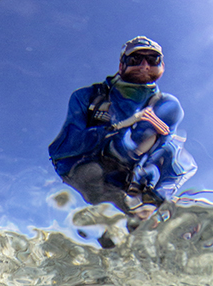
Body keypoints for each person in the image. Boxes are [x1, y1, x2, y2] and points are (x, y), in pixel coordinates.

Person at [48, 37, 197, 222]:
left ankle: (154, 213)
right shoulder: (89, 97)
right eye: (135, 59)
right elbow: (61, 149)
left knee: (176, 156)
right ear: (121, 65)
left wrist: (156, 194)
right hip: (88, 180)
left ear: (162, 66)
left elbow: (167, 156)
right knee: (91, 172)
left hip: (132, 184)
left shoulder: (168, 106)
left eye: (153, 60)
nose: (144, 66)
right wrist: (114, 129)